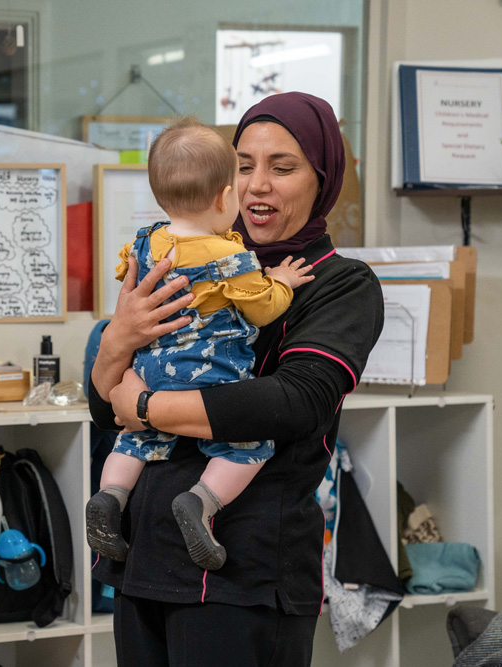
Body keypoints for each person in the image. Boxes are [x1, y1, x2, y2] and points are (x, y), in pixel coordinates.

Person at [89, 92, 384, 667]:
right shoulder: (187, 263)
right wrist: (118, 339)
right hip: (142, 557)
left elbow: (294, 402)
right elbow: (105, 408)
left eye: (283, 167)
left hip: (245, 571)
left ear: (323, 180)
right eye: (243, 166)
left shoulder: (340, 285)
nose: (257, 185)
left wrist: (145, 406)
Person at [85, 118, 314, 572]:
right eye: (243, 172)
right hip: (208, 377)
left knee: (135, 438)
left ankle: (109, 496)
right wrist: (282, 282)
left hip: (149, 372)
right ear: (225, 198)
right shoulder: (228, 255)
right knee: (246, 446)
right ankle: (201, 502)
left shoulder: (146, 242)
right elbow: (262, 308)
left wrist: (138, 390)